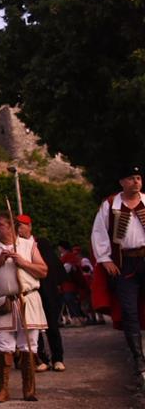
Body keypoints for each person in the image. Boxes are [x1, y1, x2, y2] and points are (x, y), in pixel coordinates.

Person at [0, 214, 48, 402]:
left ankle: (29, 389)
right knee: (2, 345)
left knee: (29, 346)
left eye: (0, 225)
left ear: (11, 227)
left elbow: (43, 270)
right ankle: (3, 390)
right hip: (4, 302)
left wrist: (23, 263)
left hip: (27, 299)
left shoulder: (27, 245)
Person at [90, 165, 145, 388]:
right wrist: (105, 259)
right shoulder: (111, 204)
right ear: (122, 182)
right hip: (124, 264)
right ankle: (138, 359)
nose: (136, 182)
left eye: (139, 178)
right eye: (131, 178)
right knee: (129, 311)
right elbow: (99, 232)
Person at [15, 214, 67, 373]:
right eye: (17, 225)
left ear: (29, 226)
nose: (19, 228)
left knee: (52, 325)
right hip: (29, 291)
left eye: (22, 225)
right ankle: (41, 358)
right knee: (33, 326)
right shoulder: (16, 245)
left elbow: (52, 266)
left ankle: (57, 358)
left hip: (47, 289)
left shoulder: (41, 244)